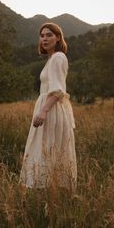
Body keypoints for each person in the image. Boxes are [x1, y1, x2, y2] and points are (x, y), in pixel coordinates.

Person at [18, 22, 77, 192]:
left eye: (49, 35)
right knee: (44, 149)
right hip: (47, 107)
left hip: (51, 110)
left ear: (58, 38)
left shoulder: (58, 57)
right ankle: (44, 190)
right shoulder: (51, 59)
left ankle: (49, 190)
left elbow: (58, 90)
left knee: (48, 148)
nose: (45, 38)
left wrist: (43, 111)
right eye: (42, 35)